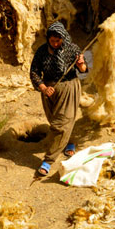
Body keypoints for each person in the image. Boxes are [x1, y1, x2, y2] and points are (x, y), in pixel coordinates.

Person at [30, 21, 87, 176]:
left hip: (69, 88)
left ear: (63, 38)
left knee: (61, 124)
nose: (55, 43)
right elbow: (34, 72)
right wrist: (43, 88)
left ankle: (48, 161)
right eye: (52, 40)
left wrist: (81, 64)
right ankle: (70, 142)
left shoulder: (72, 49)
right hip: (49, 91)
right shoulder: (42, 51)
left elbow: (84, 70)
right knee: (56, 120)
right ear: (48, 38)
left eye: (58, 40)